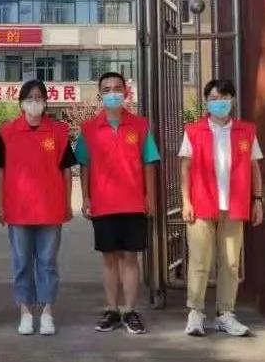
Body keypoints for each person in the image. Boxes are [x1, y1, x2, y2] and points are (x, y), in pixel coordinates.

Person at [75, 72, 160, 335]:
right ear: (100, 95)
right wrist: (86, 197)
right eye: (107, 89)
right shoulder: (89, 129)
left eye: (117, 88)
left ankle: (130, 310)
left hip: (133, 202)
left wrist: (150, 197)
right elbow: (85, 165)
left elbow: (149, 163)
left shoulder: (141, 125)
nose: (113, 93)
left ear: (126, 91)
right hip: (103, 203)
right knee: (110, 259)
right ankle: (111, 309)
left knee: (130, 258)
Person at [180, 78, 264, 337]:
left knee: (230, 262)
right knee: (200, 261)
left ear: (232, 100)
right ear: (206, 102)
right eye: (214, 98)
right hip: (201, 203)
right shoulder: (194, 131)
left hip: (235, 204)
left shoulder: (246, 131)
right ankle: (195, 312)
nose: (219, 103)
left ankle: (225, 313)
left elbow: (254, 167)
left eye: (224, 98)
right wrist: (186, 201)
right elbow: (185, 167)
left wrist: (257, 200)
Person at [0, 79, 77, 336]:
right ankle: (26, 312)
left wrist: (67, 204)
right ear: (21, 103)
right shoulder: (7, 132)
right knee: (21, 263)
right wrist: (0, 205)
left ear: (46, 102)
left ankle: (47, 312)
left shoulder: (58, 132)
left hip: (50, 210)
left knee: (47, 262)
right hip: (18, 211)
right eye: (29, 98)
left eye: (39, 97)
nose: (34, 102)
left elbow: (66, 171)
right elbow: (1, 171)